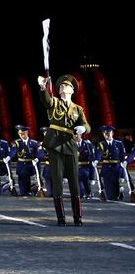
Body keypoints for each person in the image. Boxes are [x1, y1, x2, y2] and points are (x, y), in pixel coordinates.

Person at [37, 73, 90, 225]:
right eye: (60, 85)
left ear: (72, 91)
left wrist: (82, 128)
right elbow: (45, 100)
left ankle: (77, 217)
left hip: (70, 145)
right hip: (55, 145)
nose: (63, 87)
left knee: (74, 182)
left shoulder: (78, 109)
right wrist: (43, 87)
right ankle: (61, 218)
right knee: (58, 183)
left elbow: (87, 125)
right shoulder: (54, 103)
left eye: (66, 85)